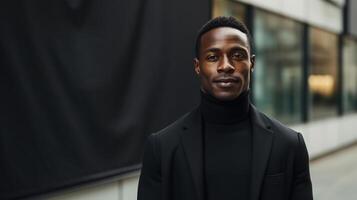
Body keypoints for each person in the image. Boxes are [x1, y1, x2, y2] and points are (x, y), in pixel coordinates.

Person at [137, 16, 313, 200]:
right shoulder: (162, 148)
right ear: (198, 66)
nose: (226, 66)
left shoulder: (290, 145)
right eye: (213, 57)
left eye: (237, 55)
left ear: (251, 63)